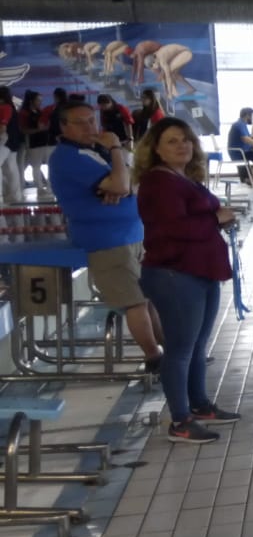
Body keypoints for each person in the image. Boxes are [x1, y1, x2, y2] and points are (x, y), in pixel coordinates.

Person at [134, 117, 242, 444]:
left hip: (200, 271)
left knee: (196, 345)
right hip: (174, 275)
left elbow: (194, 220)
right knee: (180, 350)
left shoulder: (182, 179)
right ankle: (180, 421)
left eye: (185, 139)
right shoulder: (158, 183)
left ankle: (199, 405)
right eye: (172, 141)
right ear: (155, 149)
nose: (182, 145)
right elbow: (174, 229)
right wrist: (215, 219)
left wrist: (217, 219)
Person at [47, 101, 165, 371]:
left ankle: (171, 352)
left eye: (92, 120)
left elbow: (137, 179)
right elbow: (122, 184)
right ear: (63, 127)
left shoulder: (94, 152)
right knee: (134, 301)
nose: (89, 127)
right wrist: (115, 153)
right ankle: (155, 359)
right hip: (106, 240)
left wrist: (122, 182)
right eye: (80, 122)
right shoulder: (67, 157)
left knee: (148, 297)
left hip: (133, 234)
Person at [227, 107, 253, 186]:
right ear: (247, 115)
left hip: (243, 151)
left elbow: (249, 139)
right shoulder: (239, 125)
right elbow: (245, 139)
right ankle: (252, 180)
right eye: (252, 116)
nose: (252, 118)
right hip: (239, 153)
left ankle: (252, 180)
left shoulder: (242, 124)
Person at [0, 86, 22, 203]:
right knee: (11, 168)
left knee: (10, 168)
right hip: (12, 141)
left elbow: (3, 127)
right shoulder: (10, 107)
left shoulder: (5, 107)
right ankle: (14, 195)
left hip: (5, 141)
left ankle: (5, 195)